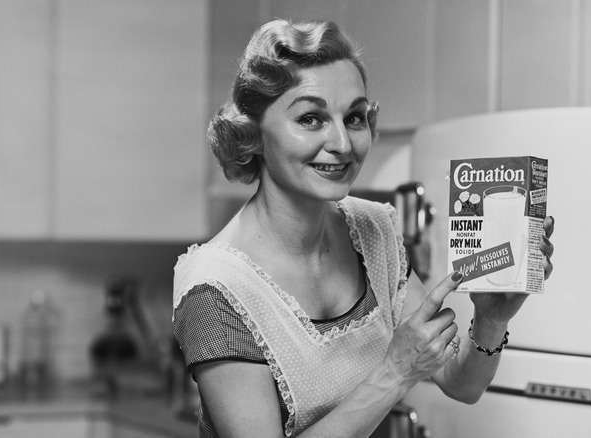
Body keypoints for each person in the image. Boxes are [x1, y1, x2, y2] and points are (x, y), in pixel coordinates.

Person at [172, 18, 555, 438]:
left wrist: (491, 319)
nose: (342, 144)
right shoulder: (217, 288)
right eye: (311, 118)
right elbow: (401, 369)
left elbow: (461, 383)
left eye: (354, 117)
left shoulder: (372, 230)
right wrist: (395, 373)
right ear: (254, 134)